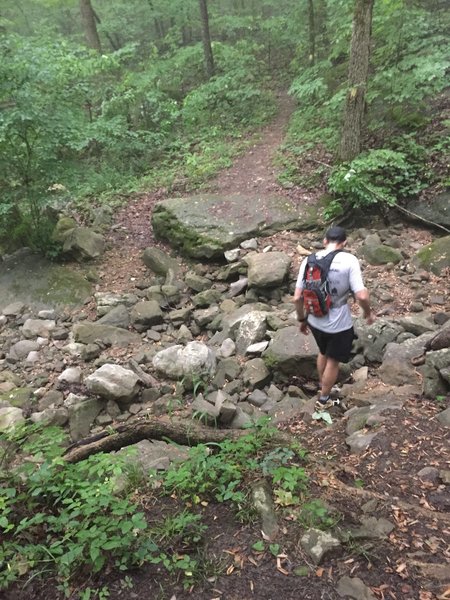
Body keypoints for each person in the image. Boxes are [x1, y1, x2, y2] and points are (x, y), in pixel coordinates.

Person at [293, 226, 375, 411]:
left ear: (324, 241)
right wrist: (368, 313)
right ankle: (324, 400)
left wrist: (302, 319)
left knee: (323, 351)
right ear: (344, 243)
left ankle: (323, 387)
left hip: (314, 318)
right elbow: (361, 296)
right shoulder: (350, 260)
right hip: (338, 323)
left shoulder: (309, 259)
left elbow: (297, 297)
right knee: (333, 360)